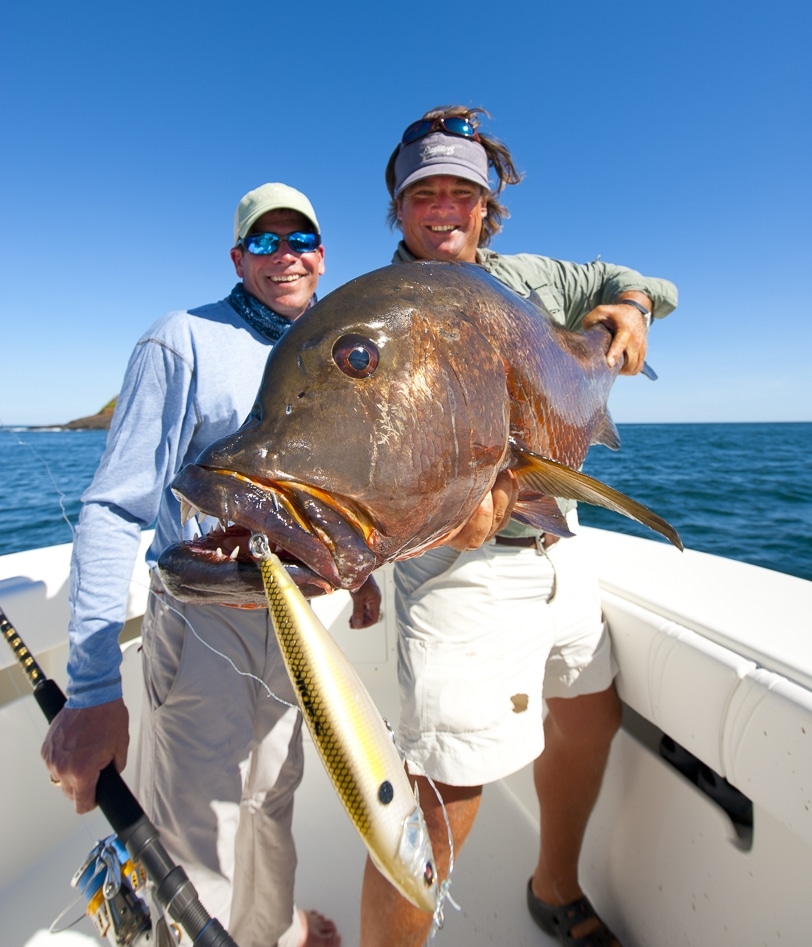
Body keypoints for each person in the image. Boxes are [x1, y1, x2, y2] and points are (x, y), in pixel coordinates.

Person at [359, 108, 678, 947]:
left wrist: (631, 309)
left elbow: (641, 278)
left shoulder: (538, 277)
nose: (441, 208)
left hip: (559, 546)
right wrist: (430, 517)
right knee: (441, 800)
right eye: (422, 192)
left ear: (486, 206)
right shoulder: (382, 317)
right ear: (398, 207)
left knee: (588, 708)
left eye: (460, 192)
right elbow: (373, 460)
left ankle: (553, 885)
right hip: (460, 574)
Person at [41, 182, 381, 947]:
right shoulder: (183, 340)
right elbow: (114, 508)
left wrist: (360, 573)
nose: (284, 254)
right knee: (202, 827)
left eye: (299, 240)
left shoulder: (342, 350)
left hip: (293, 618)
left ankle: (274, 930)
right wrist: (92, 688)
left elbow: (335, 491)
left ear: (322, 256)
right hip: (203, 625)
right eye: (265, 241)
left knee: (274, 794)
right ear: (238, 256)